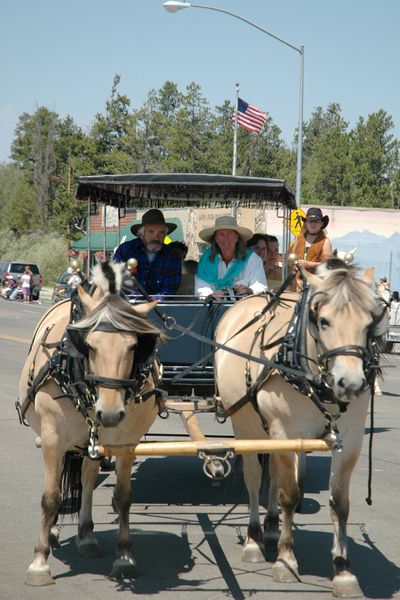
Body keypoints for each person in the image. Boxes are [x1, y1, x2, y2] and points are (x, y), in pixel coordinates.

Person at [195, 215, 267, 299]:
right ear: (215, 239)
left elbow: (260, 287)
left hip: (245, 309)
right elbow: (201, 287)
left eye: (230, 234)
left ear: (237, 237)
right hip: (214, 309)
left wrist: (249, 291)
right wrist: (211, 295)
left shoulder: (252, 258)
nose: (226, 239)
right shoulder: (206, 259)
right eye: (221, 234)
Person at [113, 209, 181, 298]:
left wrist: (158, 299)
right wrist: (133, 297)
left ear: (165, 235)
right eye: (151, 231)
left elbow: (170, 288)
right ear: (141, 234)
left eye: (161, 232)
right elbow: (114, 280)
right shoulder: (126, 250)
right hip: (127, 306)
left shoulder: (172, 256)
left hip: (159, 308)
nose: (156, 236)